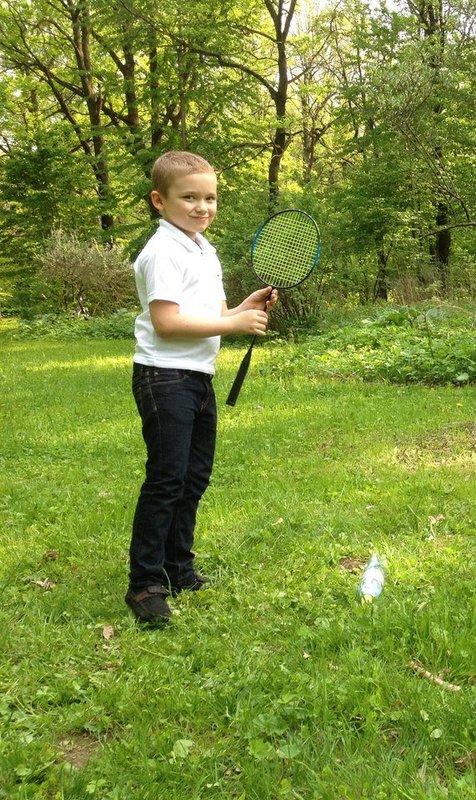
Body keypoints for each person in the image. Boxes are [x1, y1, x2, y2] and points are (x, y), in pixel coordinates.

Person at [127, 151, 277, 625]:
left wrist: (241, 309)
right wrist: (233, 327)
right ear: (159, 200)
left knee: (193, 478)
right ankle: (145, 584)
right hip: (164, 376)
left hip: (196, 378)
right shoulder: (163, 251)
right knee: (167, 479)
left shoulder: (200, 247)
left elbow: (210, 312)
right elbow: (167, 323)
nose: (201, 206)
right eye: (188, 197)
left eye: (209, 197)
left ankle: (178, 566)